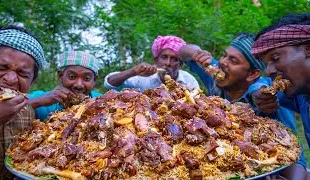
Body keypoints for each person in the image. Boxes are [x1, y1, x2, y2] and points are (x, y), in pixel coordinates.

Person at [179, 33, 307, 175]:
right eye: (224, 55)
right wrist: (197, 53)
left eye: (233, 61)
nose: (223, 62)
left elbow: (294, 154)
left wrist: (258, 96)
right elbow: (183, 51)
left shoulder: (270, 100)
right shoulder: (216, 75)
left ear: (252, 74)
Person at [251, 13, 310, 180]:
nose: (269, 70)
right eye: (266, 63)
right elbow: (258, 85)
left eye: (275, 58)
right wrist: (260, 93)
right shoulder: (301, 95)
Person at [0, 25, 45, 179]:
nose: (11, 79)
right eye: (0, 67)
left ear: (31, 82)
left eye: (23, 74)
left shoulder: (26, 111)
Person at [104, 35, 200, 92]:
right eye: (164, 57)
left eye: (174, 59)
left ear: (180, 64)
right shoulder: (143, 77)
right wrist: (133, 71)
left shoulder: (189, 81)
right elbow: (109, 83)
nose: (168, 63)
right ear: (156, 60)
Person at [29, 50, 102, 121]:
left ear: (94, 80)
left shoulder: (102, 101)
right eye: (72, 77)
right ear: (60, 76)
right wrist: (38, 101)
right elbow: (18, 106)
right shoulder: (39, 98)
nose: (79, 85)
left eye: (87, 78)